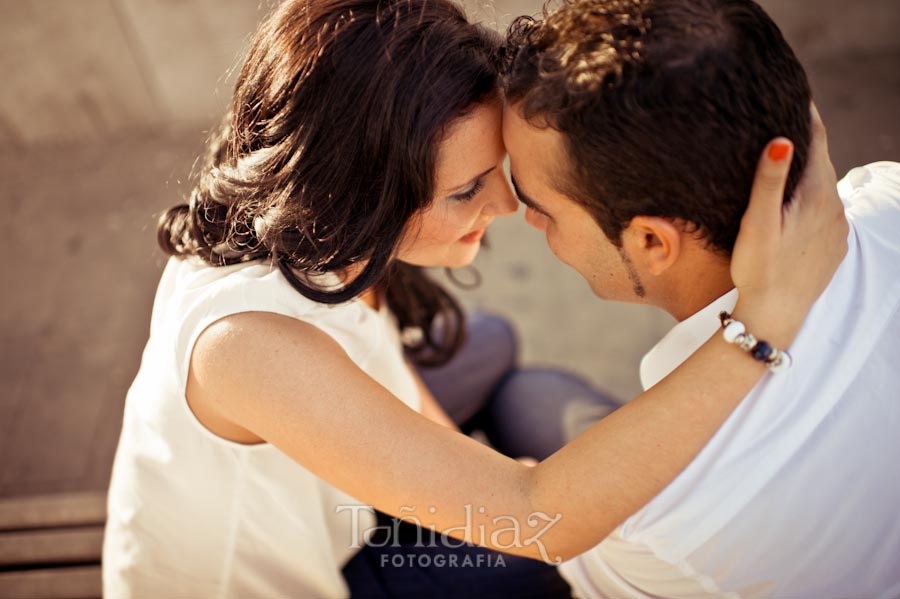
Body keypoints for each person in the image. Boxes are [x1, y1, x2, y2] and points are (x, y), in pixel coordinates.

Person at [100, 0, 847, 597]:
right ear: (359, 191)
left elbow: (383, 350)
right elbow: (534, 515)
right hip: (331, 564)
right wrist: (759, 326)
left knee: (497, 352)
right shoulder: (248, 348)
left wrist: (459, 467)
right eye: (465, 190)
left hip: (330, 460)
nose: (510, 205)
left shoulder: (317, 228)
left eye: (498, 169)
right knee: (572, 526)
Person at [501, 0, 900, 596]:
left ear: (651, 242)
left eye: (535, 200)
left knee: (526, 401)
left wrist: (541, 485)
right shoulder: (889, 198)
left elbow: (554, 533)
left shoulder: (651, 518)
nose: (522, 217)